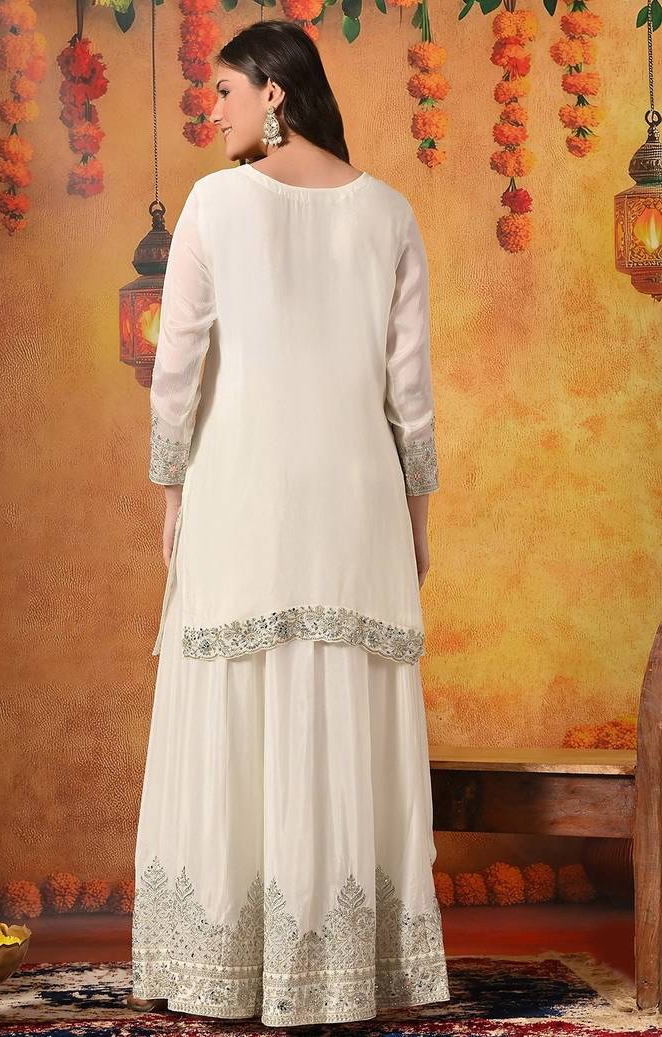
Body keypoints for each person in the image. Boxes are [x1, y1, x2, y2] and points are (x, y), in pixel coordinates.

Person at [129, 18, 451, 1030]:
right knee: (343, 703)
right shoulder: (388, 212)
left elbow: (176, 365)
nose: (212, 111)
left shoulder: (216, 204)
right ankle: (347, 967)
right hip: (357, 499)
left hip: (244, 489)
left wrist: (171, 489)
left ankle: (222, 962)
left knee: (236, 701)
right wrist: (416, 518)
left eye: (223, 90)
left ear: (274, 91)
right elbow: (410, 396)